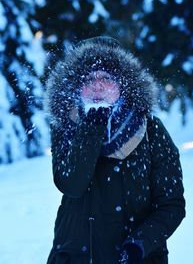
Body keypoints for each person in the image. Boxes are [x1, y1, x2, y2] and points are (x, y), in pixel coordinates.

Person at [45, 36, 185, 264]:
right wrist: (91, 128)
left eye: (107, 77)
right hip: (76, 257)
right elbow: (71, 184)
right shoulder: (67, 127)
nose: (97, 85)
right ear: (77, 86)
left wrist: (140, 244)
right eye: (89, 78)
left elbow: (172, 205)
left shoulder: (151, 130)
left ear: (124, 82)